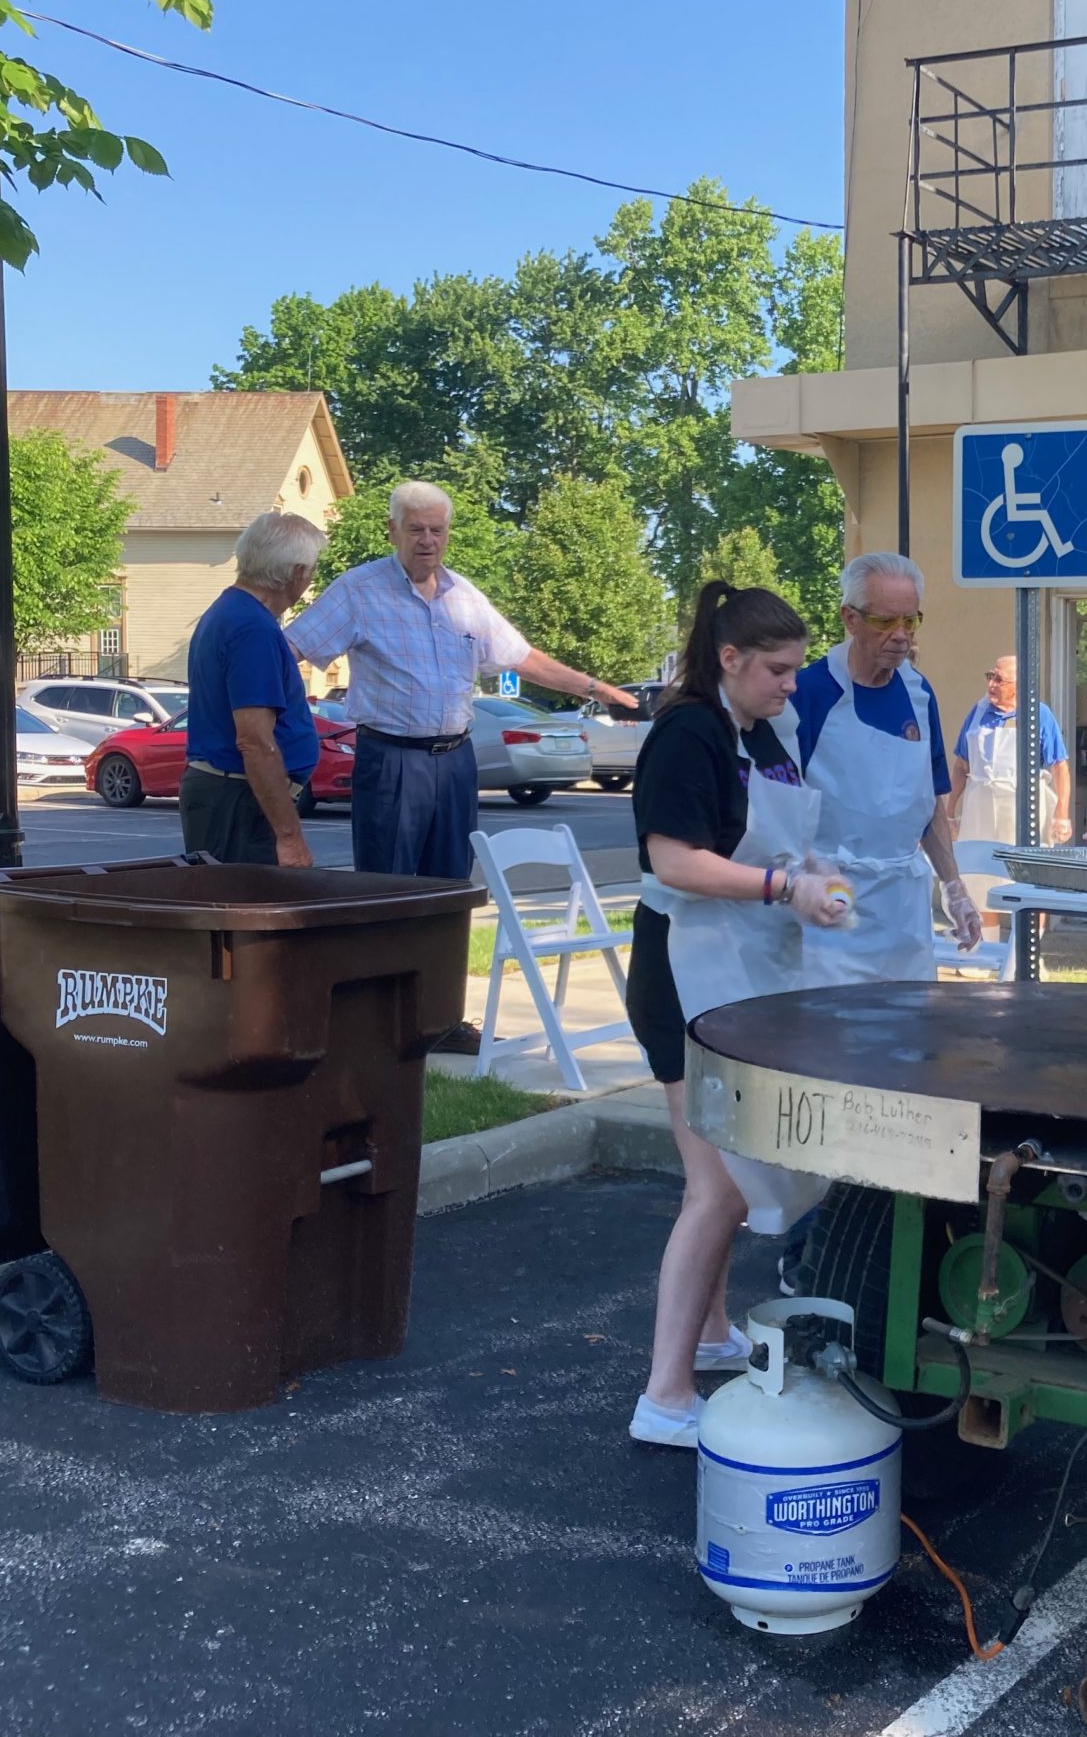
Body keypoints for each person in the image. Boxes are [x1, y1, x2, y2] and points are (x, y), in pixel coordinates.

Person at [287, 481, 634, 1046]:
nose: (428, 541)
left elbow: (521, 657)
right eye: (416, 529)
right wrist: (281, 719)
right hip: (391, 760)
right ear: (393, 532)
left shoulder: (463, 596)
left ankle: (441, 1021)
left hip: (455, 762)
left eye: (437, 530)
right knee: (388, 894)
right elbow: (292, 649)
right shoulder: (358, 591)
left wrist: (596, 686)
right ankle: (380, 1029)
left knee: (449, 894)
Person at [625, 582, 852, 1448]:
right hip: (683, 971)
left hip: (741, 966)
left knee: (712, 1182)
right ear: (729, 659)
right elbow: (676, 861)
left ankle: (712, 1335)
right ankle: (666, 1396)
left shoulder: (764, 732)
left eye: (796, 671)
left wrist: (813, 872)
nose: (792, 686)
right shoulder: (687, 733)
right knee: (717, 1187)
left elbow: (781, 838)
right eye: (778, 671)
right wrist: (780, 887)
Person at [792, 552, 981, 982]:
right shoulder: (808, 694)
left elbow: (930, 800)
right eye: (884, 622)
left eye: (911, 621)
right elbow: (774, 806)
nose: (900, 636)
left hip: (902, 911)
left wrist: (954, 888)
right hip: (830, 906)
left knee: (907, 1035)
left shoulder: (918, 693)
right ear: (850, 618)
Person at [180, 511, 328, 867]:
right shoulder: (252, 628)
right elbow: (255, 741)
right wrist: (290, 837)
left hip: (233, 796)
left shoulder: (230, 611)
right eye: (311, 570)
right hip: (239, 800)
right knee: (250, 915)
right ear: (296, 573)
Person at [948, 653, 1073, 846]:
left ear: (1019, 686)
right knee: (977, 870)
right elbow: (961, 767)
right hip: (980, 815)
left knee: (1021, 870)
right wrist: (949, 813)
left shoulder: (1039, 714)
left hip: (1023, 814)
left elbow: (1059, 767)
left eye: (999, 680)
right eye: (990, 676)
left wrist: (1062, 814)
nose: (991, 685)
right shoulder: (977, 713)